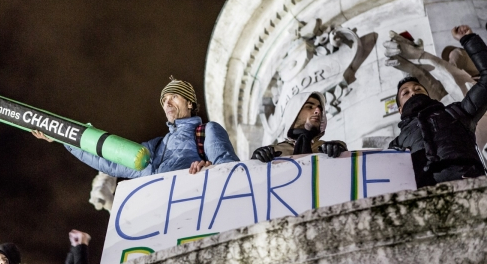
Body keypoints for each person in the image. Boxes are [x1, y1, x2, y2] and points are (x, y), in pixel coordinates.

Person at [33, 76, 240, 177]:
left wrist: (209, 169)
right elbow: (109, 162)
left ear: (190, 103)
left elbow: (230, 169)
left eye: (174, 97)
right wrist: (66, 138)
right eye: (164, 100)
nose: (167, 103)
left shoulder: (207, 132)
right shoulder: (153, 148)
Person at [389, 25, 487, 188]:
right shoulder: (396, 144)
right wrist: (337, 151)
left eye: (418, 89)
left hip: (470, 185)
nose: (413, 93)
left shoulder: (458, 112)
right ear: (400, 110)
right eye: (405, 93)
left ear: (428, 95)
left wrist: (469, 39)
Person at [251, 91, 347, 162]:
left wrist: (341, 154)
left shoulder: (331, 148)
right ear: (294, 112)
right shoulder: (273, 152)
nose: (318, 111)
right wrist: (256, 161)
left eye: (320, 108)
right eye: (309, 107)